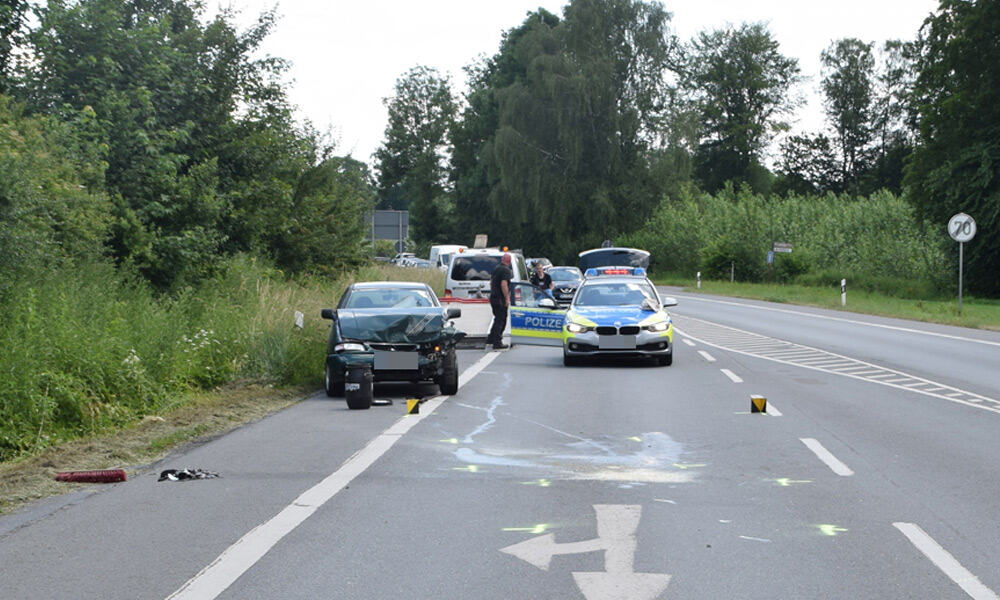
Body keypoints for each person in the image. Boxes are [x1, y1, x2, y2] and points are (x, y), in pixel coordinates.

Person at [487, 253, 513, 350]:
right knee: (501, 320)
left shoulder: (496, 268)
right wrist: (507, 298)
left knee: (497, 318)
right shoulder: (506, 270)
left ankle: (491, 338)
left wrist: (493, 291)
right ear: (509, 261)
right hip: (500, 299)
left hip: (493, 297)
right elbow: (504, 284)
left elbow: (491, 282)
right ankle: (497, 342)